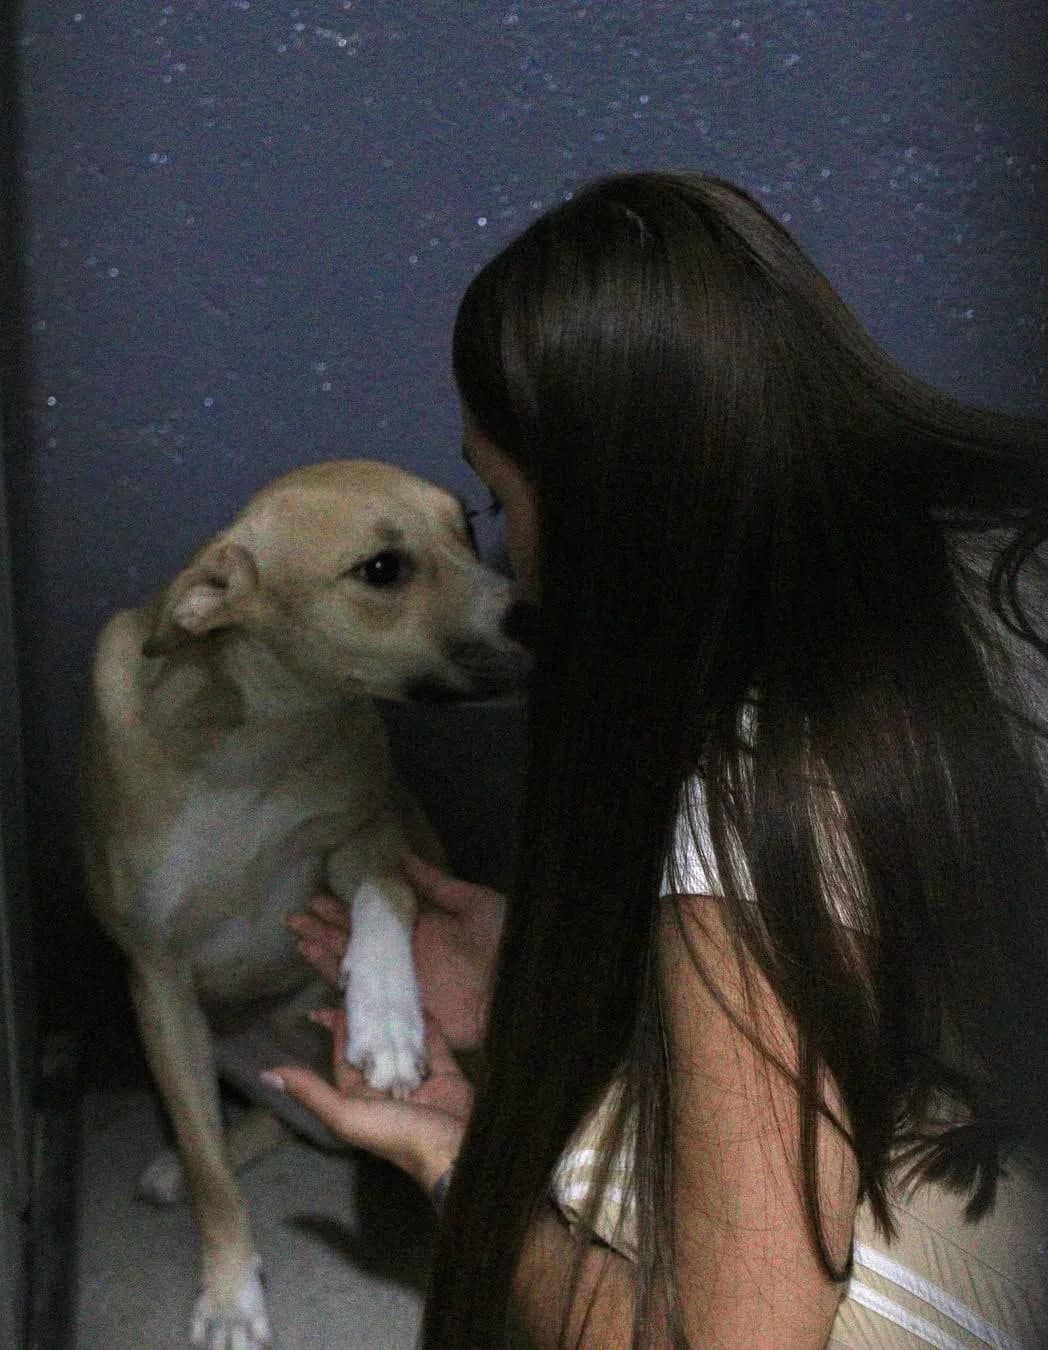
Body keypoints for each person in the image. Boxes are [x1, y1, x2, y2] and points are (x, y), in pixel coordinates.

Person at [263, 172, 1048, 1347]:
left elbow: (728, 1342)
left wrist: (454, 1163)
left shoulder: (767, 779)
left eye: (500, 504)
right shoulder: (998, 546)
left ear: (598, 507)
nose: (513, 575)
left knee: (600, 1155)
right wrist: (548, 965)